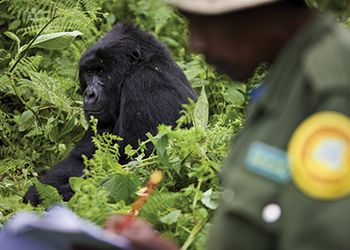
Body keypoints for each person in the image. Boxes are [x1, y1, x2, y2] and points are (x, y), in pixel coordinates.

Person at [106, 0, 350, 249]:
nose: (195, 45)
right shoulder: (288, 77)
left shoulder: (332, 91)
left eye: (203, 24)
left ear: (260, 13)